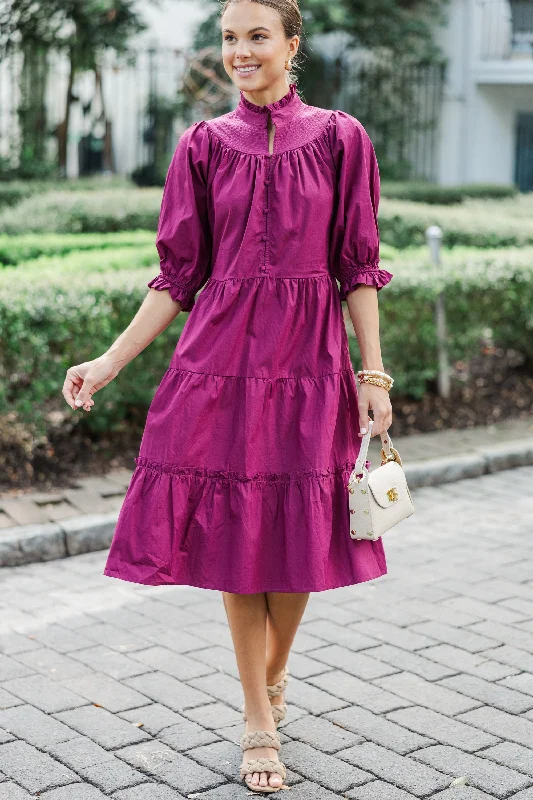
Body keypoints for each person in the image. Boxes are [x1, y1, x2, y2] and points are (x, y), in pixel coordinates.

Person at [62, 0, 394, 792]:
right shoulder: (204, 145)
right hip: (219, 364)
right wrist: (109, 361)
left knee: (301, 544)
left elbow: (357, 266)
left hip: (310, 366)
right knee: (239, 546)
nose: (240, 53)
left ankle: (271, 684)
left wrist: (372, 375)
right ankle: (256, 719)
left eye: (256, 37)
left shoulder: (343, 139)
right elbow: (178, 275)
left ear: (291, 45)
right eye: (229, 40)